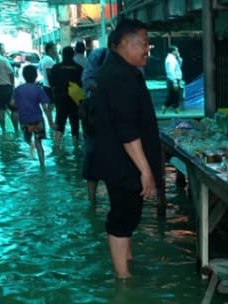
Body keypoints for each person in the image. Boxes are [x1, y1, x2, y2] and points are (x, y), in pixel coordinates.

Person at [91, 19, 162, 279]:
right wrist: (145, 170)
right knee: (123, 214)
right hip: (123, 163)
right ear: (122, 44)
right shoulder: (119, 76)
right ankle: (123, 277)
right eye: (143, 43)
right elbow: (127, 129)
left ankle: (127, 261)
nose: (147, 49)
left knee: (129, 212)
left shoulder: (121, 71)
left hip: (119, 161)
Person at [81, 46, 109, 203]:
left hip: (93, 121)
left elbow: (87, 82)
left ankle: (92, 202)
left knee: (91, 156)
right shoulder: (103, 57)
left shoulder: (96, 58)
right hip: (100, 120)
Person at [11, 65, 51, 167]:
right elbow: (46, 108)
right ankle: (42, 165)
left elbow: (12, 103)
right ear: (36, 76)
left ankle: (31, 145)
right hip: (37, 120)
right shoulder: (38, 89)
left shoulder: (18, 89)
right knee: (39, 143)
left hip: (24, 120)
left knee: (27, 139)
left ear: (24, 76)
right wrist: (51, 122)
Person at [49, 46, 83, 150]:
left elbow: (52, 83)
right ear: (73, 54)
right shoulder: (79, 68)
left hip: (60, 98)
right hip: (75, 98)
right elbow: (82, 84)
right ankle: (76, 148)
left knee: (60, 122)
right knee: (75, 122)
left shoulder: (56, 67)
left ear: (62, 55)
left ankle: (56, 146)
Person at [38, 42, 57, 129]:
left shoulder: (43, 59)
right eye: (54, 49)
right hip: (50, 86)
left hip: (46, 85)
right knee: (50, 107)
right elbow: (50, 74)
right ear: (49, 50)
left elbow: (42, 72)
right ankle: (51, 124)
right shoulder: (49, 60)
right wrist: (53, 87)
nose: (56, 51)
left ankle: (50, 123)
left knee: (50, 107)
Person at [161, 45, 183, 114]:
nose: (177, 51)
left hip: (174, 79)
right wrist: (175, 82)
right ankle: (174, 109)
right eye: (176, 50)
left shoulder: (173, 58)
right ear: (173, 51)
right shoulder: (171, 59)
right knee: (175, 96)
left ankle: (168, 108)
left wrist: (179, 57)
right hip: (173, 79)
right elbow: (171, 70)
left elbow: (180, 65)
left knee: (173, 96)